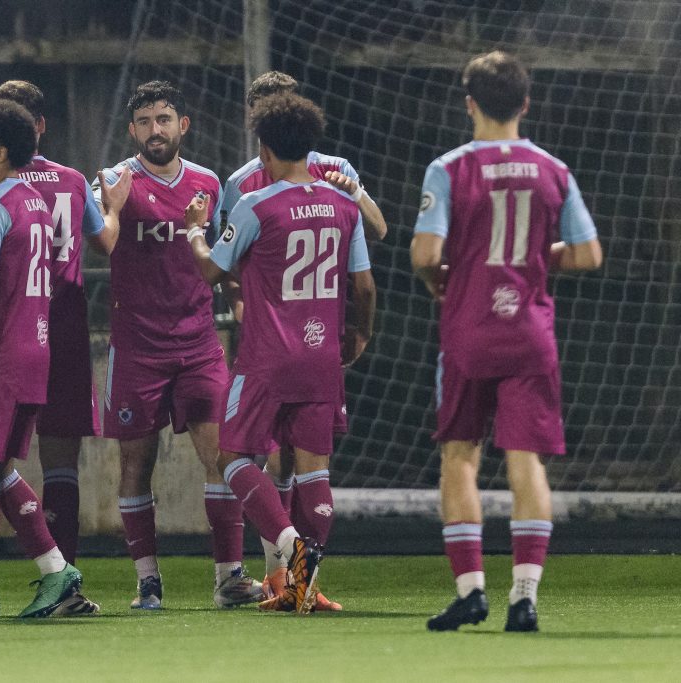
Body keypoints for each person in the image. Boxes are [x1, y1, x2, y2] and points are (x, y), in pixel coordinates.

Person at [411, 51, 602, 632]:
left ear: (469, 103)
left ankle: (471, 591)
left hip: (469, 331)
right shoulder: (553, 170)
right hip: (529, 334)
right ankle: (525, 597)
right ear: (525, 103)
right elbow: (591, 254)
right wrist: (534, 262)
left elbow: (425, 253)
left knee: (460, 459)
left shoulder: (449, 168)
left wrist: (440, 281)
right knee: (526, 462)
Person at [186, 92, 376, 614]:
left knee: (232, 458)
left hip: (267, 358)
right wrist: (359, 334)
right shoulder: (343, 205)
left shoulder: (255, 204)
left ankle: (292, 547)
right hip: (322, 356)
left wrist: (193, 232)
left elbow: (212, 270)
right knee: (315, 469)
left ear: (264, 150)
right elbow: (364, 286)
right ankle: (305, 587)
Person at [93, 80, 262, 609]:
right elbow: (104, 246)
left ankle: (228, 578)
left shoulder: (209, 183)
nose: (154, 130)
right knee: (135, 466)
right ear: (132, 130)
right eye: (144, 122)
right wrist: (112, 205)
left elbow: (224, 259)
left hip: (198, 343)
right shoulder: (115, 180)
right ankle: (147, 580)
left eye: (163, 119)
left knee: (223, 458)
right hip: (136, 347)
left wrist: (243, 309)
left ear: (182, 125)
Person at [0, 97, 97, 620]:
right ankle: (57, 571)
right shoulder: (33, 201)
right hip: (38, 349)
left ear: (1, 151)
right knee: (3, 467)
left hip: (0, 354)